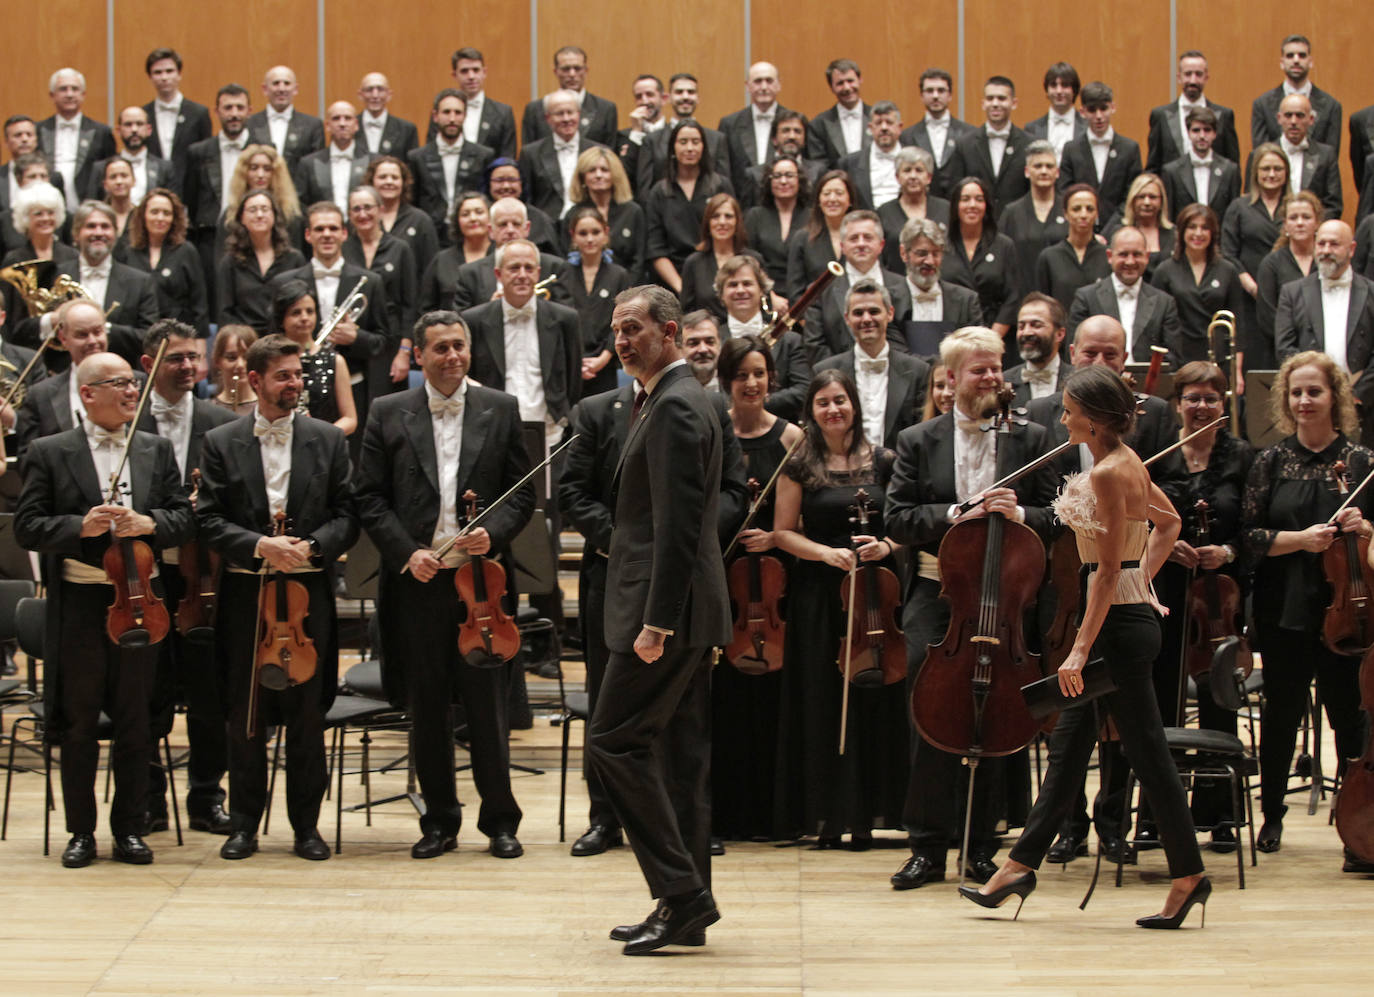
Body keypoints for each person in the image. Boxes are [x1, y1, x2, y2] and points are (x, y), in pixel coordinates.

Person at [966, 364, 1208, 929]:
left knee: (1147, 753)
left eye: (1071, 409)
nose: (1064, 416)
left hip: (1116, 629)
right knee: (1070, 746)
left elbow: (1101, 576)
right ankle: (1019, 867)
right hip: (1126, 616)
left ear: (1094, 420)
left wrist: (1079, 648)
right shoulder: (1123, 463)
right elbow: (1168, 527)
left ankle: (1190, 876)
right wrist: (1141, 578)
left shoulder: (1106, 474)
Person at [356, 310, 535, 861]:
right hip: (419, 581)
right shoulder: (387, 411)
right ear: (417, 356)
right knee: (429, 707)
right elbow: (369, 497)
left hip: (480, 581)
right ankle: (439, 821)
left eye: (460, 346)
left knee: (487, 707)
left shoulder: (501, 409)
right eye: (440, 348)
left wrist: (496, 532)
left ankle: (500, 821)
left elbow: (523, 493)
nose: (452, 356)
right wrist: (406, 553)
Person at [882, 325, 1056, 889]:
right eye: (979, 369)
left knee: (999, 713)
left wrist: (1023, 514)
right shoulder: (917, 440)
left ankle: (983, 844)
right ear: (951, 378)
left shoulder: (1029, 438)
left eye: (996, 368)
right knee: (929, 715)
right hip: (938, 594)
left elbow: (1062, 513)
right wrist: (959, 513)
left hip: (1006, 597)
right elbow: (899, 519)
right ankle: (927, 847)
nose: (992, 378)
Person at [586, 286, 728, 955]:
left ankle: (683, 894)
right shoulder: (670, 397)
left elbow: (676, 529)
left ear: (669, 331)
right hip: (678, 608)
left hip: (666, 612)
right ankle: (685, 901)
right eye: (616, 330)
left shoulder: (675, 404)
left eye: (634, 328)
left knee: (613, 741)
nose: (622, 340)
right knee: (671, 756)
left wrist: (658, 621)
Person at [14, 350, 193, 867]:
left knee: (137, 718)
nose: (131, 390)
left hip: (143, 600)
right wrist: (79, 527)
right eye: (118, 383)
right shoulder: (50, 450)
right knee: (80, 722)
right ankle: (82, 833)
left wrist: (150, 522)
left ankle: (130, 830)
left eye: (132, 382)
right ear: (87, 393)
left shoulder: (155, 449)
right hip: (84, 603)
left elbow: (184, 518)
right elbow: (27, 526)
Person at [196, 334, 358, 861]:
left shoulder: (328, 440)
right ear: (254, 381)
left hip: (307, 593)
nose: (296, 384)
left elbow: (348, 515)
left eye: (298, 375)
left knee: (307, 715)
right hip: (246, 594)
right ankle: (244, 822)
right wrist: (260, 544)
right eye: (284, 376)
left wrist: (311, 546)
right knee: (247, 715)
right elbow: (208, 519)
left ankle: (306, 827)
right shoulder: (221, 442)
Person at [1240, 352, 1371, 869]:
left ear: (1334, 398)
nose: (1303, 401)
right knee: (1281, 716)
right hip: (1285, 607)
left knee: (1349, 720)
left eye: (1314, 391)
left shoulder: (1362, 463)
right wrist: (1301, 539)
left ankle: (1355, 823)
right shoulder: (1270, 462)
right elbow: (1249, 538)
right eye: (1295, 393)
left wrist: (1364, 529)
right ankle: (1272, 815)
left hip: (1350, 610)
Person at [770, 367, 908, 850]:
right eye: (823, 402)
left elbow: (903, 523)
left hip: (875, 595)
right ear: (811, 411)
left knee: (875, 701)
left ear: (855, 405)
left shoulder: (886, 461)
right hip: (820, 595)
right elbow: (783, 530)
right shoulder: (800, 462)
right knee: (823, 702)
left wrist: (885, 546)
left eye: (840, 401)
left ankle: (871, 812)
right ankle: (827, 814)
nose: (833, 410)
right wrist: (825, 553)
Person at [1141, 361, 1254, 851]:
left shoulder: (1243, 458)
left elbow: (1255, 526)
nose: (1201, 405)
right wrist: (1166, 542)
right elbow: (1136, 517)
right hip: (1165, 586)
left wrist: (1225, 551)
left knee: (1218, 696)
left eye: (1210, 397)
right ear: (1177, 403)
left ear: (1223, 404)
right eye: (1192, 397)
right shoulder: (1157, 457)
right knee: (1160, 701)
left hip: (1220, 593)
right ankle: (1154, 816)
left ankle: (1219, 814)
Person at [133, 319, 237, 836]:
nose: (189, 367)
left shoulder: (219, 421)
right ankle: (149, 798)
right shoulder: (131, 422)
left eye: (194, 358)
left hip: (204, 575)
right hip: (145, 575)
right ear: (149, 364)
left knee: (207, 694)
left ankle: (205, 798)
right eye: (177, 358)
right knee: (148, 691)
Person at [711, 334, 805, 842]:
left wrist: (773, 537)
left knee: (772, 704)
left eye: (760, 373)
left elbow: (796, 518)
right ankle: (726, 815)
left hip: (773, 588)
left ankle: (774, 815)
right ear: (726, 380)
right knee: (725, 705)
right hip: (723, 581)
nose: (752, 383)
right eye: (742, 375)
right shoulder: (713, 431)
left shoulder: (791, 438)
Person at [276, 201, 396, 422]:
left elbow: (384, 343)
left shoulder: (370, 282)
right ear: (307, 235)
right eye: (319, 229)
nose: (327, 235)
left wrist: (355, 338)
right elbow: (273, 337)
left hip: (353, 386)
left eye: (333, 228)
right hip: (296, 388)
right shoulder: (285, 282)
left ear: (344, 233)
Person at [460, 239, 581, 452]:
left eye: (529, 268)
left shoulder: (565, 319)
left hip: (551, 432)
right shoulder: (473, 320)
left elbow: (573, 379)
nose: (522, 274)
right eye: (514, 268)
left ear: (538, 272)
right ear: (498, 274)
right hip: (493, 431)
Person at [1275, 220, 1374, 432]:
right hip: (1310, 406)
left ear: (1352, 249)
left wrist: (1357, 395)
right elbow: (1285, 348)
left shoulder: (1372, 292)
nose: (1326, 251)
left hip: (1364, 406)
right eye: (1321, 244)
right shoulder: (1292, 293)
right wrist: (1312, 394)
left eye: (1334, 244)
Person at [40, 200, 161, 366]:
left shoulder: (140, 281)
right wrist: (51, 320)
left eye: (105, 226)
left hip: (121, 375)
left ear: (115, 233)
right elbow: (23, 331)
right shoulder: (54, 275)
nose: (98, 232)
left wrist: (102, 328)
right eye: (90, 226)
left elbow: (150, 338)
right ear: (76, 234)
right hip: (64, 374)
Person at [814, 279, 928, 448]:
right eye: (858, 313)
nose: (866, 319)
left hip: (900, 470)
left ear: (889, 314)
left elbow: (921, 432)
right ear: (847, 318)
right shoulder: (824, 370)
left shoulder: (918, 371)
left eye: (874, 311)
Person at [11, 299, 124, 453]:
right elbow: (29, 457)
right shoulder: (40, 395)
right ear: (63, 338)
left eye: (97, 332)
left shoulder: (139, 385)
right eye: (82, 334)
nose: (92, 341)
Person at [801, 209, 910, 364]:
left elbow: (909, 340)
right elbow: (814, 345)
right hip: (838, 381)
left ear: (881, 244)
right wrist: (843, 377)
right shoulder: (821, 290)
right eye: (853, 238)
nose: (861, 244)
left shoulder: (903, 286)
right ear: (842, 246)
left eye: (867, 237)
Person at [714, 254, 812, 421]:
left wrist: (751, 401)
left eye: (747, 283)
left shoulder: (789, 340)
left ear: (762, 290)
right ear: (722, 294)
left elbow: (803, 390)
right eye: (732, 285)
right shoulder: (711, 340)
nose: (740, 290)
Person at [1221, 143, 1292, 371]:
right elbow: (1229, 253)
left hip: (1287, 296)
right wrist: (1254, 288)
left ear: (1286, 172)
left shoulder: (1294, 207)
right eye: (1265, 168)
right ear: (1255, 172)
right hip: (1249, 300)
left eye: (1278, 169)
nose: (1271, 174)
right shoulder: (1239, 206)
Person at [1069, 226, 1185, 364]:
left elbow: (1173, 358)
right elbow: (1075, 354)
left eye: (1137, 254)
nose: (1130, 261)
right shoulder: (1086, 297)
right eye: (1123, 254)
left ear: (1147, 257)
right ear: (1110, 256)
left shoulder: (1165, 302)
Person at [1150, 203, 1246, 365]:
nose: (1198, 233)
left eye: (1205, 228)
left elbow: (1238, 324)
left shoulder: (1228, 270)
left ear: (1213, 233)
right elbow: (1154, 323)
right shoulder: (1164, 270)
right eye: (1192, 227)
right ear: (1181, 232)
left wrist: (1237, 369)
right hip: (1178, 357)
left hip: (1218, 358)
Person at [644, 119, 732, 294]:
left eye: (695, 142)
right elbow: (656, 249)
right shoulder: (659, 192)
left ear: (704, 147)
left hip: (715, 276)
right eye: (683, 142)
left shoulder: (720, 185)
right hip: (672, 280)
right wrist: (681, 287)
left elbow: (732, 239)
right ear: (673, 148)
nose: (690, 148)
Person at [555, 204, 632, 397]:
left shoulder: (619, 275)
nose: (589, 239)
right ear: (573, 235)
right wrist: (575, 361)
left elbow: (623, 321)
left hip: (605, 363)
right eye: (583, 233)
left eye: (595, 232)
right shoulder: (562, 273)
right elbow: (558, 321)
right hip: (570, 365)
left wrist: (604, 358)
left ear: (605, 233)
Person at [345, 184, 419, 372]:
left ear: (381, 210)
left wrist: (404, 351)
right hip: (351, 342)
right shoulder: (343, 248)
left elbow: (410, 304)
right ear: (349, 214)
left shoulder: (400, 248)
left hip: (391, 342)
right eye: (356, 209)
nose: (363, 214)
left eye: (368, 207)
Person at [269, 280, 358, 436]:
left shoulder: (335, 361)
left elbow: (350, 419)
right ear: (282, 319)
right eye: (296, 312)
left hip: (323, 447)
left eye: (310, 311)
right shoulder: (271, 359)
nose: (304, 318)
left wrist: (320, 437)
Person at [942, 176, 1022, 346]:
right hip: (951, 333)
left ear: (987, 206)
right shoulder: (942, 245)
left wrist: (991, 339)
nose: (972, 205)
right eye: (965, 199)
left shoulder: (1004, 245)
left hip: (996, 335)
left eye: (979, 199)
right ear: (955, 206)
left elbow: (1013, 297)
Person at [409, 90, 495, 243]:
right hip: (429, 235)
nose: (452, 119)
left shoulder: (484, 155)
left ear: (465, 116)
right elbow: (413, 201)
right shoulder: (417, 157)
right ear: (435, 116)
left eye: (458, 113)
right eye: (446, 112)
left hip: (471, 234)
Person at [216, 190, 307, 332]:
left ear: (274, 216)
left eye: (265, 209)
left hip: (285, 339)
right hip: (245, 342)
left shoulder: (295, 259)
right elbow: (225, 313)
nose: (259, 215)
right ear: (242, 218)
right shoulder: (229, 262)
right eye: (252, 210)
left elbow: (302, 304)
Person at [124, 187, 209, 335]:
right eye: (154, 212)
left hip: (179, 335)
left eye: (167, 213)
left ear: (174, 218)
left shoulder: (186, 251)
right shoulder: (128, 252)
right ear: (143, 216)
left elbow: (199, 302)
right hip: (139, 335)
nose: (160, 218)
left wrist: (200, 342)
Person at [1058, 82, 1143, 227]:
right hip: (1081, 229)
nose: (1099, 116)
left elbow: (1131, 195)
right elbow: (1065, 193)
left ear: (1113, 108)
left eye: (1104, 109)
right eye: (1092, 110)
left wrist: (1110, 231)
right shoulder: (1071, 149)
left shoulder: (1130, 149)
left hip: (1119, 229)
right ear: (1082, 112)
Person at [897, 216, 984, 355]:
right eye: (922, 253)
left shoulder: (966, 301)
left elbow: (974, 352)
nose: (930, 261)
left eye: (936, 253)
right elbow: (896, 354)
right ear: (904, 253)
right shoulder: (888, 301)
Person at [945, 77, 1030, 215]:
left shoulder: (1028, 144)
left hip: (1017, 225)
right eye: (990, 98)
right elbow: (955, 192)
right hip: (977, 224)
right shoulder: (964, 145)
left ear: (1014, 103)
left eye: (1002, 98)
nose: (995, 103)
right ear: (983, 103)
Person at [1254, 190, 1320, 367]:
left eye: (1306, 217)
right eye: (1293, 218)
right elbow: (1267, 317)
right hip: (1283, 355)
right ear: (1285, 224)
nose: (1299, 223)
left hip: (1324, 354)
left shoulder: (1325, 262)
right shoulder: (1271, 264)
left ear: (1317, 223)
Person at [1146, 51, 1240, 174]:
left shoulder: (1224, 116)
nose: (1193, 80)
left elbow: (1233, 167)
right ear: (1179, 77)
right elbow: (1153, 166)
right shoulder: (1160, 116)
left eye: (1198, 74)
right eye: (1188, 74)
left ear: (1206, 77)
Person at [518, 90, 604, 224]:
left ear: (579, 114)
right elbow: (526, 198)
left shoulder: (599, 152)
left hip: (589, 224)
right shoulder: (530, 154)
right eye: (559, 114)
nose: (566, 119)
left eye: (570, 112)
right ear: (548, 118)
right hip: (546, 229)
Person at [38, 68, 116, 208]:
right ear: (52, 95)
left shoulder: (101, 132)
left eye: (75, 89)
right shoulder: (39, 130)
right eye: (63, 89)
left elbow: (110, 171)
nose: (69, 94)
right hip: (47, 207)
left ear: (83, 94)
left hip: (90, 208)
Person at [566, 146, 645, 282]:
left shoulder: (633, 211)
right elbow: (567, 258)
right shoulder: (573, 214)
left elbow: (639, 260)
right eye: (592, 170)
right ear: (582, 177)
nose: (598, 175)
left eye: (604, 170)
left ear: (614, 175)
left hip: (629, 289)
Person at [1251, 35, 1343, 153]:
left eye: (1302, 55)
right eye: (1290, 56)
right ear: (1282, 63)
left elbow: (1331, 157)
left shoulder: (1331, 106)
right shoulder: (1262, 105)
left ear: (1310, 62)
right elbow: (1260, 155)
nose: (1296, 60)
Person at [218, 143, 304, 262]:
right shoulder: (230, 215)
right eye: (254, 168)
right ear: (244, 173)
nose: (260, 175)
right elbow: (221, 263)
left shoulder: (290, 215)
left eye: (267, 169)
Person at [520, 45, 618, 148]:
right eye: (566, 69)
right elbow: (528, 155)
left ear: (586, 70)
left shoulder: (605, 109)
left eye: (577, 68)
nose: (572, 74)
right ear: (556, 72)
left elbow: (610, 155)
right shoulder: (535, 109)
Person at [998, 140, 1066, 287]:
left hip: (1062, 295)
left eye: (1049, 166)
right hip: (1022, 295)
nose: (1043, 171)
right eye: (1037, 166)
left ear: (1057, 172)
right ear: (1027, 172)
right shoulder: (1012, 213)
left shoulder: (1068, 210)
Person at [718, 62, 792, 197]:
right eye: (758, 81)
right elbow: (724, 173)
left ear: (778, 85)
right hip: (742, 204)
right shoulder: (729, 124)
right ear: (748, 86)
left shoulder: (793, 122)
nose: (764, 87)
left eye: (769, 81)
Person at [899, 68, 974, 200]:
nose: (935, 95)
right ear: (921, 96)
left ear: (950, 95)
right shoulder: (907, 136)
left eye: (941, 90)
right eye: (929, 91)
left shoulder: (969, 133)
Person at [1035, 184, 1110, 314]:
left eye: (1090, 209)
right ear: (1065, 213)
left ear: (1097, 213)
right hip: (1062, 330)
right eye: (1076, 209)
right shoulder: (1049, 257)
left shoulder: (1108, 255)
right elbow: (1043, 305)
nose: (1083, 214)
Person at [742, 153, 809, 300]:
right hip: (763, 296)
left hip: (804, 298)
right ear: (769, 181)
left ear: (799, 180)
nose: (783, 181)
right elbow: (748, 260)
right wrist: (770, 296)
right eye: (777, 176)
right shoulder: (755, 216)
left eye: (789, 175)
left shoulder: (812, 217)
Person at [1160, 107, 1241, 226]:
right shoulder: (1172, 171)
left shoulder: (1230, 170)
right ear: (1188, 133)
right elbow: (1169, 217)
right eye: (1196, 130)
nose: (1202, 136)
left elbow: (1234, 217)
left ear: (1215, 133)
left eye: (1207, 130)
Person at [680, 193, 756, 320]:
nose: (722, 222)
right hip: (708, 336)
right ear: (707, 223)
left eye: (728, 216)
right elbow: (687, 312)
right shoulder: (693, 263)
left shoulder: (754, 260)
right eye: (715, 216)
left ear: (737, 222)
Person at [1268, 93, 1343, 220]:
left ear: (1311, 119)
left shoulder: (1326, 155)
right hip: (1269, 232)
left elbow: (1333, 206)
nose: (1293, 121)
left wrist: (1309, 226)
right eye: (1288, 115)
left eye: (1300, 115)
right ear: (1279, 118)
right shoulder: (1262, 155)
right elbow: (1252, 201)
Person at [363, 155, 439, 275]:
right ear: (372, 181)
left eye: (395, 177)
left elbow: (431, 268)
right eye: (382, 177)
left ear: (404, 183)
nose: (389, 182)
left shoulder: (420, 221)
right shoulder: (363, 219)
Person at [878, 147, 948, 274]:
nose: (913, 176)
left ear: (929, 177)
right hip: (896, 285)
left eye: (919, 170)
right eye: (907, 170)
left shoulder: (946, 209)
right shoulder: (883, 212)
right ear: (897, 177)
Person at [142, 48, 212, 173]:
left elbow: (205, 157)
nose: (164, 77)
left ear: (179, 74)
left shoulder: (199, 113)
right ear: (150, 77)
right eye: (158, 72)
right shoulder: (143, 115)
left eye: (169, 71)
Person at [293, 101, 372, 211]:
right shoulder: (308, 163)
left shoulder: (372, 161)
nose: (342, 124)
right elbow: (300, 204)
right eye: (336, 118)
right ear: (327, 126)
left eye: (347, 118)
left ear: (356, 125)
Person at [786, 169, 854, 295]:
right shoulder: (802, 238)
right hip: (813, 313)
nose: (832, 199)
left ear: (850, 200)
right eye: (826, 194)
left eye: (839, 193)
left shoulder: (861, 238)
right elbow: (795, 290)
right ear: (818, 201)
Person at [246, 65, 325, 173]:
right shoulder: (250, 124)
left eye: (287, 83)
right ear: (265, 89)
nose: (281, 89)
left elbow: (315, 169)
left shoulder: (312, 126)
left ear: (295, 89)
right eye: (276, 83)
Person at [447, 47, 517, 160]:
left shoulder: (503, 113)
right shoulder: (443, 112)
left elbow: (507, 158)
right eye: (464, 71)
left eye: (476, 70)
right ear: (454, 75)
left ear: (484, 72)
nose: (471, 76)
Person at [97, 107, 174, 209]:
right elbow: (93, 207)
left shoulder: (165, 168)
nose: (134, 130)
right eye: (128, 125)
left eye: (139, 124)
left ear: (149, 130)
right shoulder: (100, 168)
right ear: (118, 130)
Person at [1004, 292, 1071, 406]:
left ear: (1059, 334)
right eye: (1021, 327)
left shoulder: (1078, 381)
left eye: (1036, 325)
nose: (1026, 332)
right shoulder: (1002, 382)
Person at [486, 158, 563, 256]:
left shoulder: (540, 219)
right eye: (499, 180)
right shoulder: (481, 215)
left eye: (512, 180)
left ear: (521, 183)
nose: (506, 186)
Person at [837, 101, 902, 209]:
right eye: (878, 123)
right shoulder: (849, 163)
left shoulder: (916, 160)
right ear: (871, 128)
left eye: (889, 122)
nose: (884, 128)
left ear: (900, 127)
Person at [806, 59, 869, 168]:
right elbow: (819, 167)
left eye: (850, 81)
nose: (847, 88)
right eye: (840, 83)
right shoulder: (818, 125)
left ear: (860, 80)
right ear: (831, 88)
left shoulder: (877, 118)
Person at [1023, 62, 1085, 158]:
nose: (1059, 91)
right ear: (1047, 90)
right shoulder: (1031, 129)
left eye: (1065, 85)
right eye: (1053, 85)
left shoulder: (1087, 127)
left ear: (1074, 90)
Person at [355, 73, 419, 160]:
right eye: (369, 90)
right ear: (360, 95)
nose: (375, 95)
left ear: (389, 95)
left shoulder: (406, 129)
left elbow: (411, 168)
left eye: (380, 90)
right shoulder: (349, 126)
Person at [208, 324, 257, 415]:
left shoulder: (269, 409)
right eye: (231, 358)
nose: (240, 365)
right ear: (217, 361)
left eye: (247, 357)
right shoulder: (206, 411)